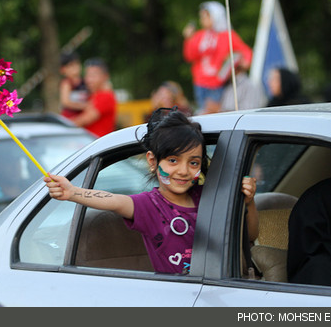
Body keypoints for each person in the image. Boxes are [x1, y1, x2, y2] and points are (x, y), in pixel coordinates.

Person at [45, 108, 258, 274]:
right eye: (173, 160)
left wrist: (248, 202)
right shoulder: (150, 206)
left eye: (193, 163)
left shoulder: (211, 195)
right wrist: (72, 193)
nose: (183, 171)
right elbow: (114, 201)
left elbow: (249, 235)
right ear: (152, 161)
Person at [182, 1, 253, 114]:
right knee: (203, 112)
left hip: (217, 83)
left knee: (215, 113)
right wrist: (188, 39)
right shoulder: (200, 35)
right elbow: (189, 56)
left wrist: (246, 61)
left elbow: (245, 50)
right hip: (200, 83)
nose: (202, 19)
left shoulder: (227, 35)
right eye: (202, 17)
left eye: (206, 16)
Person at [71, 58, 117, 137]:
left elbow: (82, 120)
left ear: (105, 76)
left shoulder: (105, 96)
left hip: (99, 146)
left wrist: (60, 124)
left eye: (93, 76)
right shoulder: (93, 96)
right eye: (87, 75)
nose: (88, 80)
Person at [59, 52, 89, 120]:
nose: (76, 67)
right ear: (63, 69)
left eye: (77, 64)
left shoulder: (85, 82)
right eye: (71, 65)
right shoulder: (67, 83)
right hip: (69, 118)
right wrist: (84, 106)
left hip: (82, 116)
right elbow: (65, 102)